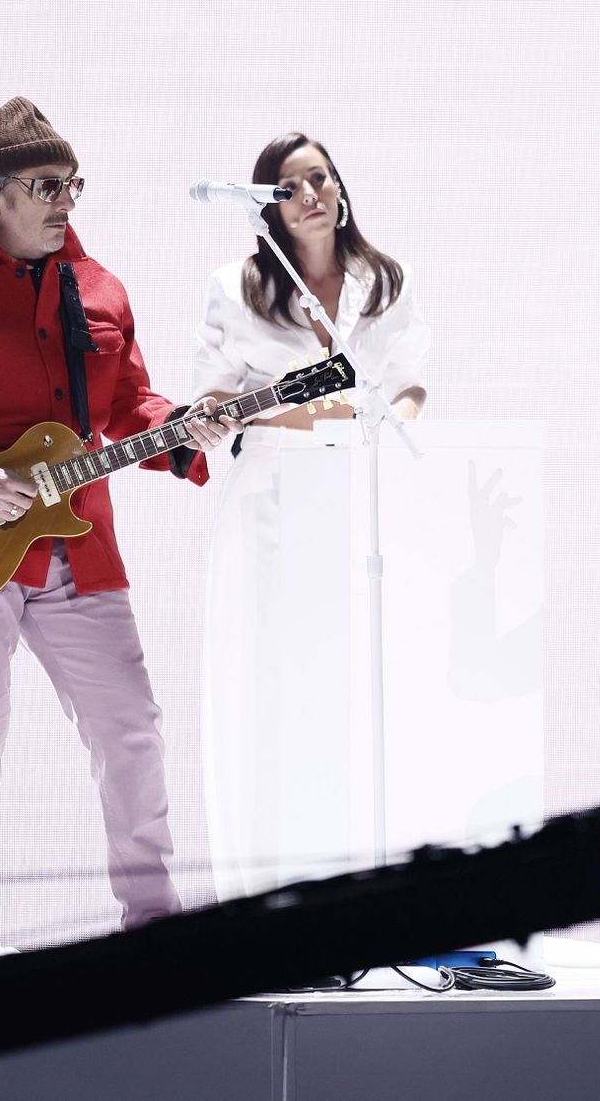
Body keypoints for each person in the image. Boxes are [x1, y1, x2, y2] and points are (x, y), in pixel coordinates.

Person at [0, 97, 237, 969]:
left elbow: (129, 404)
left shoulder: (98, 289)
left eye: (72, 184)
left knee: (130, 726)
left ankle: (154, 919)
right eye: (45, 185)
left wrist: (180, 429)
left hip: (79, 551)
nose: (66, 201)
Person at [191, 133, 430, 899]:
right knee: (269, 693)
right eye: (290, 188)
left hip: (363, 502)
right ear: (268, 209)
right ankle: (267, 899)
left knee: (355, 692)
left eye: (320, 178)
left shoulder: (385, 280)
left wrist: (381, 428)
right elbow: (216, 401)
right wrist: (231, 413)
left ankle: (357, 896)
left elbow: (410, 385)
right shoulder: (235, 287)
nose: (312, 195)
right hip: (270, 506)